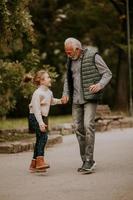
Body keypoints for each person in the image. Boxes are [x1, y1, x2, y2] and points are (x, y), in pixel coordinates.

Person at [61, 37, 112, 173]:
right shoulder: (70, 61)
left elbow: (107, 73)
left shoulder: (93, 56)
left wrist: (100, 85)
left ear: (78, 49)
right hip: (76, 100)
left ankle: (89, 160)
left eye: (70, 52)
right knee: (78, 128)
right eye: (66, 52)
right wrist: (65, 93)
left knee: (88, 125)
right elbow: (68, 79)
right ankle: (85, 160)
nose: (68, 54)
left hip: (90, 98)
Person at [26, 70, 62, 172]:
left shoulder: (49, 92)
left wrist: (60, 101)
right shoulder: (37, 93)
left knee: (39, 139)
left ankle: (34, 164)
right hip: (35, 117)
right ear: (41, 81)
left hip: (42, 117)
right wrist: (41, 123)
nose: (50, 79)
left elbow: (51, 101)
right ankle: (40, 161)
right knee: (43, 136)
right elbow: (36, 110)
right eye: (47, 77)